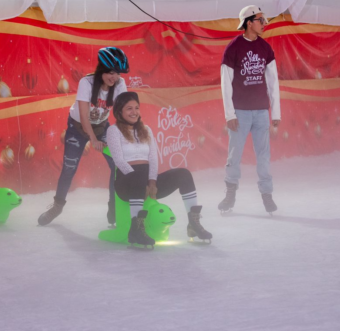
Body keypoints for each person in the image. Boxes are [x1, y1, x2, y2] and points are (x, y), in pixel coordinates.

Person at [38, 47, 129, 226]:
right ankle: (57, 205)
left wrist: (121, 135)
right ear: (102, 69)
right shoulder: (86, 83)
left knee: (117, 165)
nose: (114, 77)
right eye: (110, 72)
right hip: (78, 127)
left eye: (117, 73)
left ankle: (114, 207)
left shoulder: (119, 84)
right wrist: (93, 140)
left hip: (102, 127)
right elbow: (84, 114)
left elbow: (122, 111)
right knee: (69, 168)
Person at [106, 91, 212, 246]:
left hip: (148, 182)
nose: (134, 112)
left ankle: (193, 223)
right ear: (119, 111)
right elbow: (119, 161)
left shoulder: (146, 130)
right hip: (126, 182)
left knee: (183, 174)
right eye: (129, 108)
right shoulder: (113, 131)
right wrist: (141, 181)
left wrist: (152, 182)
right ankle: (136, 229)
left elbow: (153, 158)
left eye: (136, 108)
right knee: (136, 176)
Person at [219, 5, 281, 215]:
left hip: (261, 112)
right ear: (248, 22)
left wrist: (276, 113)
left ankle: (267, 196)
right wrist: (230, 114)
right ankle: (230, 195)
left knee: (263, 155)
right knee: (234, 155)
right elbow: (226, 83)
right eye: (260, 20)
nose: (264, 24)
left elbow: (273, 83)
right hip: (240, 112)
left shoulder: (265, 48)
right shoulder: (233, 48)